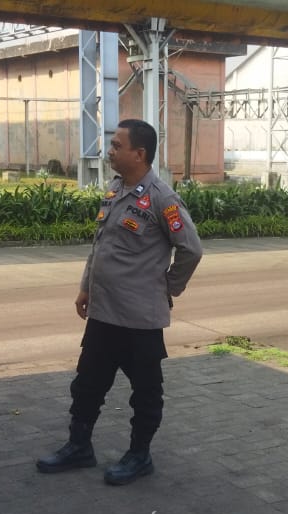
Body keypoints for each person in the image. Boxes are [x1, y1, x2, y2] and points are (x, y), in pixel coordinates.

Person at [36, 119, 203, 486]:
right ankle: (79, 446)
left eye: (116, 146)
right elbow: (101, 245)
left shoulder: (162, 199)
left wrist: (167, 287)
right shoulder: (114, 189)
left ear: (139, 154)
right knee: (87, 385)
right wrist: (85, 286)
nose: (109, 151)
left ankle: (139, 455)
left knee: (145, 393)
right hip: (103, 313)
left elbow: (191, 249)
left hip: (140, 319)